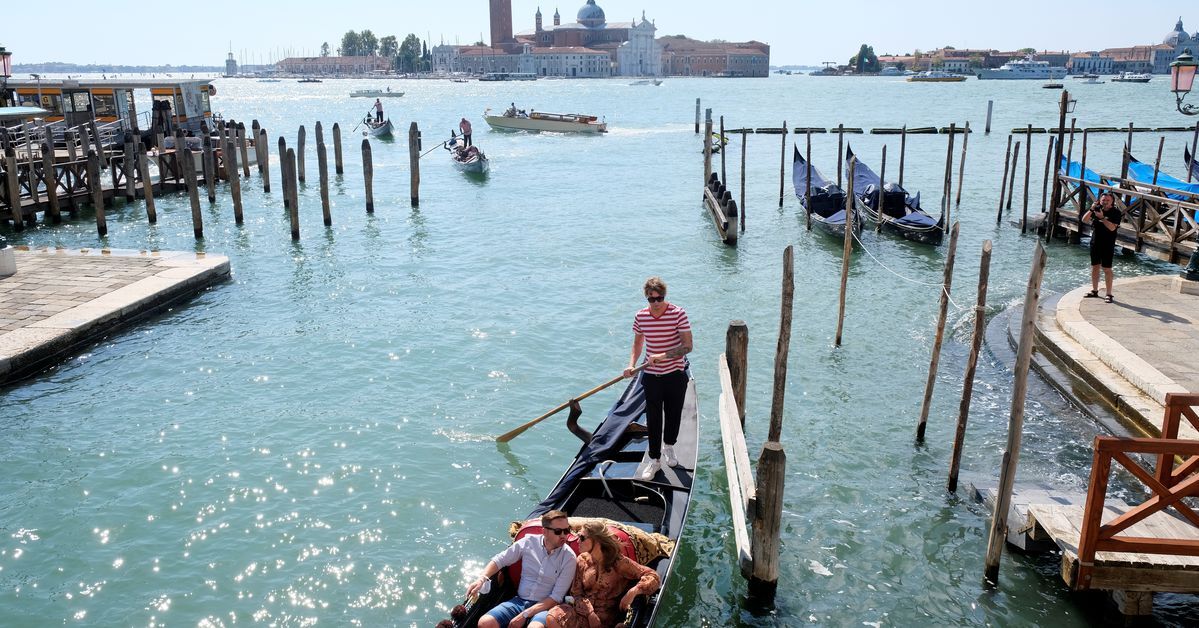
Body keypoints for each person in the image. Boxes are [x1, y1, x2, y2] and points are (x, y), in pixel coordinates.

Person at [624, 277, 692, 481]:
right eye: (651, 299)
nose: (655, 303)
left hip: (675, 374)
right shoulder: (641, 316)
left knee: (673, 415)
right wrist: (632, 365)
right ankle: (654, 460)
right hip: (651, 376)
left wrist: (661, 356)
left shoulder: (678, 314)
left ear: (664, 296)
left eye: (659, 298)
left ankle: (669, 446)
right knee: (654, 420)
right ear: (646, 298)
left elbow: (688, 347)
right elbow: (637, 344)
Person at [466, 510, 577, 628]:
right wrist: (481, 579)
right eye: (558, 531)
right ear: (544, 531)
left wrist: (525, 615)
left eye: (566, 530)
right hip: (519, 601)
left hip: (546, 607)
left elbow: (556, 597)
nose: (564, 536)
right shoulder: (528, 542)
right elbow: (500, 560)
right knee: (485, 623)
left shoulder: (569, 558)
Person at [543, 521, 660, 628]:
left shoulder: (618, 562)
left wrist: (634, 591)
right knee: (553, 616)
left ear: (597, 540)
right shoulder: (582, 560)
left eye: (582, 538)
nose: (578, 541)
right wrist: (590, 614)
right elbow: (576, 593)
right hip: (583, 613)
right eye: (578, 536)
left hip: (608, 619)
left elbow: (653, 576)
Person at [1082, 191, 1121, 303]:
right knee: (1095, 267)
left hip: (1108, 244)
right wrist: (1091, 209)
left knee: (1107, 269)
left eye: (1108, 200)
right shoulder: (1096, 209)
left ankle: (1109, 294)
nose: (1105, 202)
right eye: (1103, 200)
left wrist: (1103, 218)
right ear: (1100, 200)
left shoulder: (1116, 213)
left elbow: (1112, 228)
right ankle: (1094, 290)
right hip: (1095, 242)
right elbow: (1084, 220)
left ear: (1112, 202)